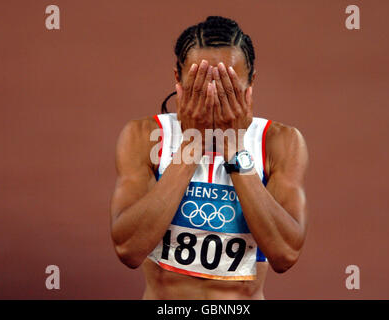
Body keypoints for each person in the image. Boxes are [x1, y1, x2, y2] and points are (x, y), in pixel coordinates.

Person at [110, 16, 309, 300]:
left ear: (251, 83)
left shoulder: (280, 143)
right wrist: (191, 147)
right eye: (200, 87)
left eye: (228, 87)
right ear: (177, 80)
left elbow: (285, 254)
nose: (214, 98)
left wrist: (234, 150)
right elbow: (128, 250)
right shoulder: (144, 136)